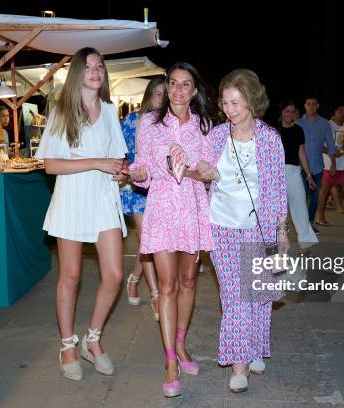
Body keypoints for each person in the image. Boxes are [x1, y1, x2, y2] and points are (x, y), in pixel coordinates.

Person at [34, 47, 128, 381]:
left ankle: (93, 339)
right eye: (88, 66)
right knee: (70, 277)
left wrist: (121, 171)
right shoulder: (62, 110)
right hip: (72, 197)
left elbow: (118, 157)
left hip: (103, 197)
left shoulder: (110, 110)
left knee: (115, 273)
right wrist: (95, 162)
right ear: (77, 72)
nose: (95, 70)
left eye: (100, 66)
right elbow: (49, 165)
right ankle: (67, 346)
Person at [197, 69, 288, 393]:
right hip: (220, 226)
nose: (230, 109)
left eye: (236, 102)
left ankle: (257, 347)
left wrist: (281, 236)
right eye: (225, 103)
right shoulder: (218, 136)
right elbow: (202, 168)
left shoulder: (270, 139)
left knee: (258, 293)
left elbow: (278, 191)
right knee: (235, 295)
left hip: (257, 227)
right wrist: (204, 172)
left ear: (251, 100)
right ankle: (239, 364)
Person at [129, 62, 215, 398]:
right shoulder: (149, 123)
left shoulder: (205, 125)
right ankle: (169, 363)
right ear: (166, 86)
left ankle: (181, 345)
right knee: (166, 286)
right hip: (162, 208)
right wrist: (136, 173)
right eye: (173, 83)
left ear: (195, 91)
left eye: (185, 84)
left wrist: (188, 170)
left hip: (192, 209)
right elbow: (142, 164)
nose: (178, 90)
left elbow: (208, 172)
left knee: (188, 281)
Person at [120, 77, 165, 321]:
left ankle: (133, 280)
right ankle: (156, 294)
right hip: (136, 188)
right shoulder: (132, 120)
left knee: (150, 241)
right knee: (147, 238)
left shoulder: (170, 123)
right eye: (158, 93)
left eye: (165, 93)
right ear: (149, 95)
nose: (162, 98)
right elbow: (121, 152)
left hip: (161, 188)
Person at [277, 101, 318, 248]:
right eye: (287, 111)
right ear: (281, 112)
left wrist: (308, 174)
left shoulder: (298, 130)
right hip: (276, 172)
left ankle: (306, 241)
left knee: (300, 205)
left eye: (292, 111)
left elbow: (301, 152)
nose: (289, 114)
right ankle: (276, 240)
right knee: (275, 209)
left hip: (294, 171)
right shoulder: (273, 130)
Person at [315, 103, 344, 227]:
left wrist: (342, 152)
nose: (342, 114)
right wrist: (332, 152)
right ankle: (320, 218)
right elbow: (319, 146)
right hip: (329, 166)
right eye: (340, 111)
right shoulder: (326, 126)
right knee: (325, 192)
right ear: (335, 111)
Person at [296, 97, 336, 225]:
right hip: (301, 168)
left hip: (318, 167)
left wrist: (333, 163)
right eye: (308, 104)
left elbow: (330, 143)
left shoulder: (324, 123)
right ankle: (302, 225)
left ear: (318, 106)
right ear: (305, 106)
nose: (311, 106)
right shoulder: (298, 124)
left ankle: (310, 223)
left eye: (314, 104)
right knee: (301, 199)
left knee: (314, 199)